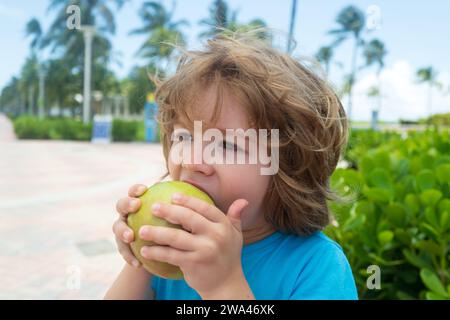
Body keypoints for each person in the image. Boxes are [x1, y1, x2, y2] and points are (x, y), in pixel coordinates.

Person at [104, 31, 358, 300]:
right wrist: (141, 258)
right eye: (184, 137)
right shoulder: (174, 249)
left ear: (287, 171)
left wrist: (222, 286)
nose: (192, 160)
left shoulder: (317, 266)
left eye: (225, 145)